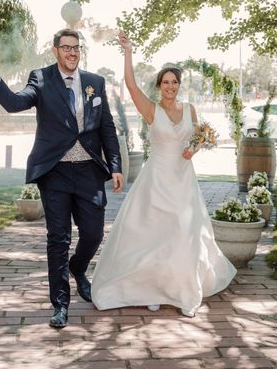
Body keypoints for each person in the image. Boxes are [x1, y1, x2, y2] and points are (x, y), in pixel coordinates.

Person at [0, 29, 124, 328]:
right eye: (66, 47)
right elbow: (16, 102)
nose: (72, 52)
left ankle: (77, 268)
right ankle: (60, 304)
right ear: (55, 50)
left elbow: (106, 127)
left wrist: (116, 164)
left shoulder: (95, 82)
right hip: (54, 171)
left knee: (94, 233)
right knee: (58, 238)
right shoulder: (41, 78)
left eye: (76, 47)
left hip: (88, 172)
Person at [91, 31, 236, 317]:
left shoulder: (190, 109)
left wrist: (193, 150)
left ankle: (183, 292)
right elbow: (131, 86)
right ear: (159, 85)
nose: (171, 86)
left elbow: (195, 141)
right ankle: (153, 289)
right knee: (153, 236)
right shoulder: (151, 110)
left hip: (183, 180)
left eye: (175, 82)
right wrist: (129, 52)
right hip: (155, 180)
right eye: (166, 82)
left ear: (179, 85)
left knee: (185, 233)